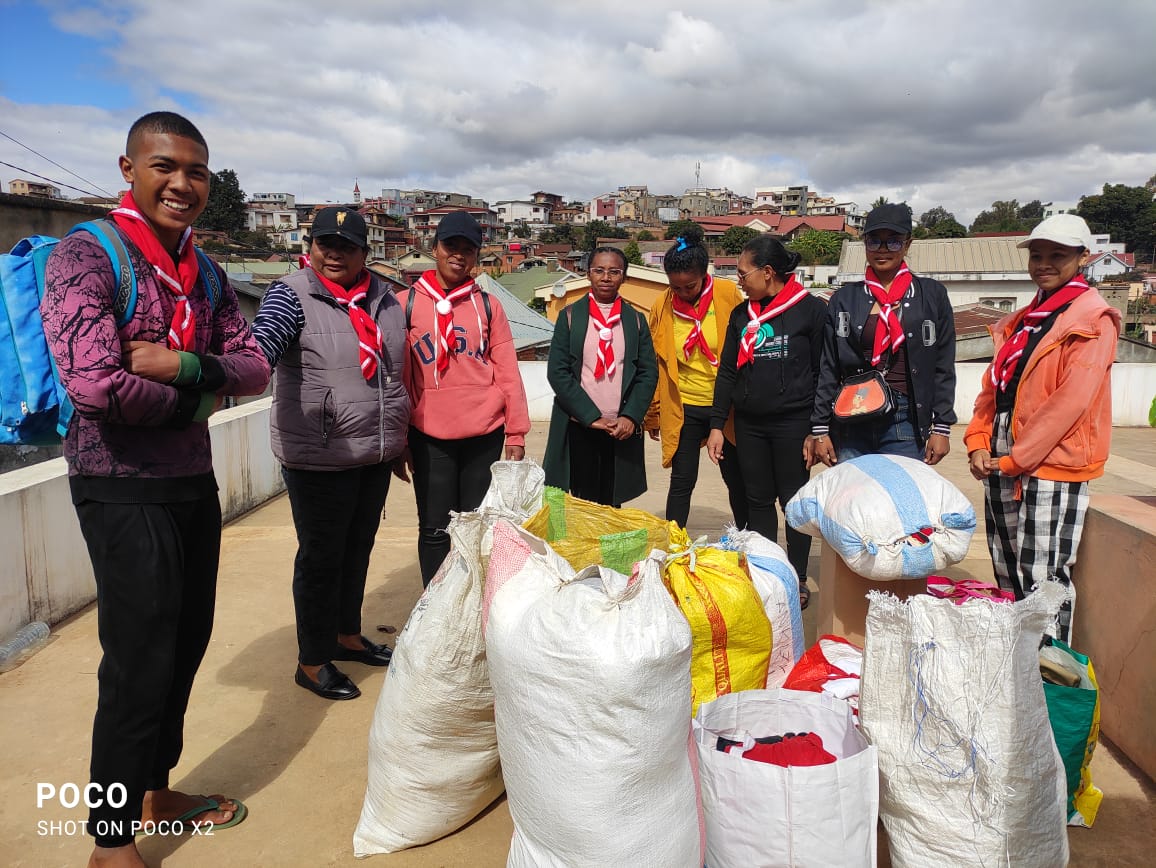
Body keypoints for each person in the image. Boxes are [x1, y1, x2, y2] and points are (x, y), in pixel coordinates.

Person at [41, 111, 269, 868]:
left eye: (196, 171)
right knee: (136, 660)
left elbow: (254, 367)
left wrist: (183, 368)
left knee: (184, 644)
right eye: (165, 166)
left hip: (189, 480)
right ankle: (110, 844)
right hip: (117, 482)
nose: (181, 183)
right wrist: (202, 399)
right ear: (129, 169)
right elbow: (95, 386)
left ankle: (151, 790)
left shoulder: (205, 271)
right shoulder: (87, 255)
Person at [252, 207, 408, 701]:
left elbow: (395, 373)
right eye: (325, 244)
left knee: (356, 551)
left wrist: (397, 437)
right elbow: (262, 347)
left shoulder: (385, 297)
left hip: (372, 452)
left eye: (346, 246)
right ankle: (313, 659)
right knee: (321, 559)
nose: (334, 254)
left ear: (365, 252)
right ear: (311, 246)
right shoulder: (290, 294)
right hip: (320, 453)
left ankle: (346, 635)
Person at [964, 214, 1119, 643]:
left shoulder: (1093, 319)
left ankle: (1050, 671)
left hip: (1052, 457)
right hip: (1005, 449)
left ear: (1083, 257)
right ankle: (1016, 662)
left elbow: (1069, 403)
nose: (1044, 263)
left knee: (1043, 574)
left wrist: (1015, 459)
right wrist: (978, 440)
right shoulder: (1023, 321)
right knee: (1006, 564)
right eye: (1037, 255)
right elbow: (995, 389)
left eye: (1058, 255)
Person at [400, 211, 530, 585]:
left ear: (476, 256)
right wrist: (400, 438)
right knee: (434, 528)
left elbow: (507, 370)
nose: (458, 255)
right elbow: (399, 378)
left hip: (483, 433)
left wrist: (516, 432)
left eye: (467, 249)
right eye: (450, 246)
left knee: (474, 526)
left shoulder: (488, 305)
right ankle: (435, 605)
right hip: (428, 434)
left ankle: (469, 601)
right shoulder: (405, 303)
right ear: (434, 248)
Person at [706, 235, 826, 607]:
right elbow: (728, 372)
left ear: (768, 272)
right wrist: (716, 425)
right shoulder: (741, 315)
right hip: (749, 425)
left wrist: (818, 429)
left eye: (743, 274)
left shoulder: (810, 310)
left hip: (794, 424)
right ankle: (769, 575)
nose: (739, 281)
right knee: (757, 501)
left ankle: (797, 577)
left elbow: (823, 372)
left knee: (794, 504)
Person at [807, 203, 956, 468]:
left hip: (905, 418)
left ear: (907, 244)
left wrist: (941, 426)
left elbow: (943, 365)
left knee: (899, 491)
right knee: (853, 491)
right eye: (874, 241)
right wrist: (820, 428)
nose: (883, 249)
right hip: (853, 415)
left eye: (893, 241)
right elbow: (828, 366)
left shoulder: (931, 295)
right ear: (865, 244)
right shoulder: (844, 299)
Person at [644, 227, 748, 529]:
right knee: (682, 480)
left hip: (726, 407)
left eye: (690, 286)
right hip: (685, 406)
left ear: (704, 274)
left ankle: (747, 539)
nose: (683, 293)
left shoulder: (727, 295)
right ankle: (674, 542)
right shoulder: (662, 305)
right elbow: (656, 362)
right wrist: (653, 412)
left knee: (736, 479)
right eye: (675, 287)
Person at [543, 246, 658, 507]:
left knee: (612, 499)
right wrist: (591, 416)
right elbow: (558, 371)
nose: (606, 277)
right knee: (582, 499)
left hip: (620, 427)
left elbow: (647, 372)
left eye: (614, 271)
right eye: (599, 270)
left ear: (624, 277)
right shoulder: (569, 317)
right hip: (580, 423)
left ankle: (608, 535)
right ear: (588, 274)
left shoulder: (635, 320)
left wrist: (631, 417)